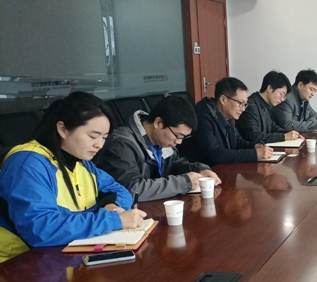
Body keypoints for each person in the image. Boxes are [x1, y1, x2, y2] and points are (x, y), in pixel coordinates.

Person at [0, 92, 146, 263]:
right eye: (93, 136)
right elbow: (40, 228)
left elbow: (119, 190)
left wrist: (112, 206)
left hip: (64, 253)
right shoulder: (29, 164)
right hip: (18, 262)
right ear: (63, 129)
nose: (99, 144)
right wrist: (113, 220)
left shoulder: (80, 161)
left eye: (104, 138)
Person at [96, 96, 221, 201]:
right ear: (158, 123)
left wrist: (200, 169)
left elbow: (175, 165)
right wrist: (184, 183)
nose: (179, 142)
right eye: (178, 136)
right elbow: (132, 189)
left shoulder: (161, 141)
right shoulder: (121, 145)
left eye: (183, 137)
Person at [180, 77, 273, 166]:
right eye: (240, 103)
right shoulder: (202, 117)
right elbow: (216, 154)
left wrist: (255, 146)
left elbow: (238, 142)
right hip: (206, 173)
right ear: (223, 100)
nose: (243, 109)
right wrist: (254, 154)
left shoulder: (227, 117)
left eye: (245, 104)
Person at [237, 71, 302, 144]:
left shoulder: (265, 104)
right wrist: (284, 136)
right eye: (281, 94)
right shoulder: (250, 106)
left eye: (284, 96)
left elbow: (272, 127)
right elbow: (254, 136)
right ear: (270, 88)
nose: (282, 99)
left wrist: (291, 134)